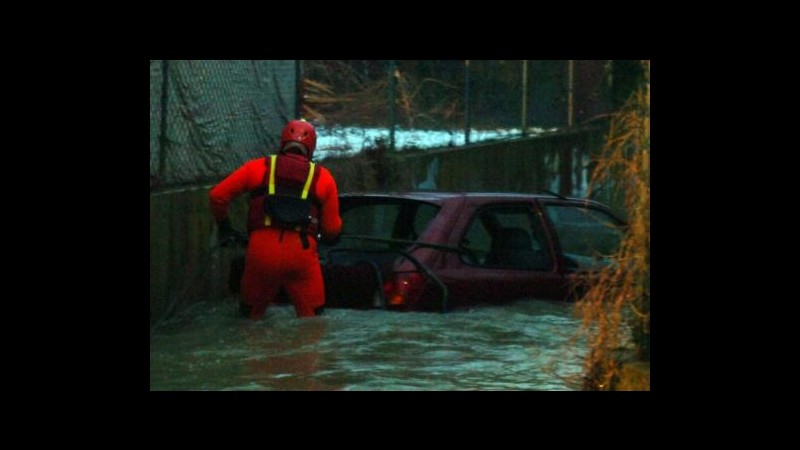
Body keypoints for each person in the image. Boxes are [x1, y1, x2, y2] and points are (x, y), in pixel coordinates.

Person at [209, 119, 342, 319]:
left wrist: (225, 227)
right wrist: (331, 235)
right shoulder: (324, 178)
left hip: (260, 253)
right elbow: (332, 229)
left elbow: (217, 196)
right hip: (302, 255)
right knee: (313, 325)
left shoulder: (257, 167)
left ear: (282, 143)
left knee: (249, 321)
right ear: (311, 148)